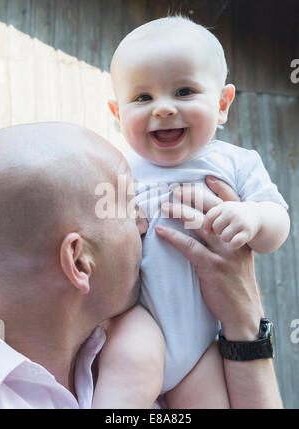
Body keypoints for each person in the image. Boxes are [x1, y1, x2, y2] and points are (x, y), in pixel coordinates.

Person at [0, 122, 282, 408]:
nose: (144, 223)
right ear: (79, 262)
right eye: (129, 206)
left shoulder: (141, 365)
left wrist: (243, 320)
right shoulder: (135, 373)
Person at [98, 15, 290, 408]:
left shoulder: (234, 163)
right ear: (117, 114)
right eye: (143, 97)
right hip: (136, 323)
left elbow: (277, 225)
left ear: (221, 104)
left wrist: (253, 217)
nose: (164, 108)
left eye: (184, 91)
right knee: (126, 378)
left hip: (204, 342)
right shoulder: (116, 167)